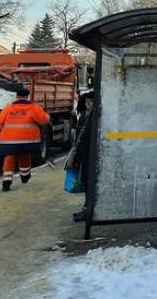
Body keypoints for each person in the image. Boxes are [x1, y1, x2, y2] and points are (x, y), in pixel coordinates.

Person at [0, 86, 50, 192]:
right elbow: (43, 120)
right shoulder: (34, 108)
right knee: (24, 156)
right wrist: (47, 116)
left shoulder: (8, 108)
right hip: (28, 141)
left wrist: (0, 135)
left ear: (16, 97)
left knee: (9, 157)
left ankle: (6, 181)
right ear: (28, 97)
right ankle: (25, 177)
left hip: (8, 141)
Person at [68, 89, 95, 221]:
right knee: (85, 181)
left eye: (91, 101)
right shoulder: (85, 115)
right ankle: (86, 208)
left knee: (90, 182)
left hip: (90, 155)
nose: (89, 104)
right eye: (87, 102)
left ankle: (89, 210)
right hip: (84, 155)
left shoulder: (95, 116)